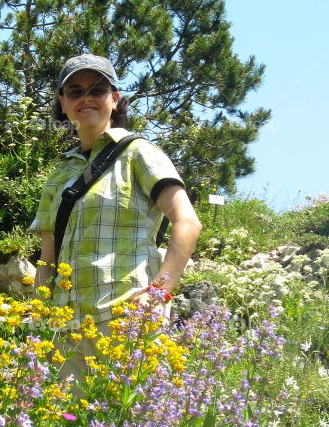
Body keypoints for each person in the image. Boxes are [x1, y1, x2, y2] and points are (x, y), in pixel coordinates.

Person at [32, 54, 202, 347]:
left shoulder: (139, 153)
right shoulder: (60, 172)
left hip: (126, 320)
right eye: (75, 91)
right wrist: (37, 318)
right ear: (63, 103)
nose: (86, 98)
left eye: (97, 90)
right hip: (64, 328)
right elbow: (47, 258)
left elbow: (187, 223)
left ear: (114, 98)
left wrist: (158, 292)